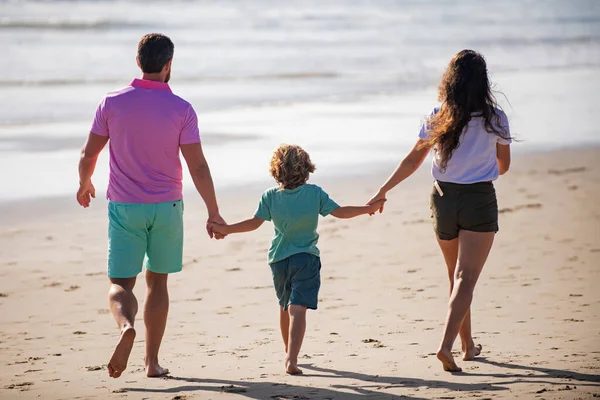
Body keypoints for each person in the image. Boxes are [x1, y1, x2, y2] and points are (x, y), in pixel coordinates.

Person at [76, 33, 226, 379]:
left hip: (126, 207)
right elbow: (198, 167)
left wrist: (85, 183)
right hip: (167, 207)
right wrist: (213, 211)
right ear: (169, 64)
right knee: (157, 284)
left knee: (120, 285)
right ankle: (151, 362)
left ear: (138, 61)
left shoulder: (111, 103)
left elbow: (89, 154)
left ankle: (126, 326)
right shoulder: (182, 109)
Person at [368, 49, 513, 372]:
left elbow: (412, 161)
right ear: (483, 82)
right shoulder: (495, 118)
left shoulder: (438, 115)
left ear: (450, 81)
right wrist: (483, 160)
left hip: (443, 199)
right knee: (466, 277)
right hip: (478, 198)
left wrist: (382, 191)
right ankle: (446, 346)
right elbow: (503, 166)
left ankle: (467, 346)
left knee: (456, 276)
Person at [208, 144, 385, 375]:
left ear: (276, 171)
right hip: (306, 258)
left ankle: (288, 352)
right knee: (297, 308)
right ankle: (292, 359)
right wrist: (367, 209)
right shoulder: (314, 193)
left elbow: (253, 223)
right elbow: (340, 212)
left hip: (278, 260)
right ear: (306, 168)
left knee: (285, 307)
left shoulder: (270, 196)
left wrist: (227, 229)